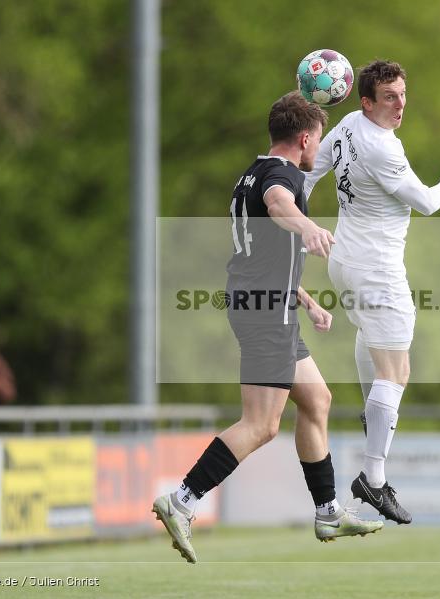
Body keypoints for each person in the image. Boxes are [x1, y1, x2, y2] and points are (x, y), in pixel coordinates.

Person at [151, 91, 383, 564]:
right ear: (304, 139)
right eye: (317, 140)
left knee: (317, 400)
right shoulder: (281, 177)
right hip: (264, 313)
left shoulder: (251, 173)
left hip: (270, 304)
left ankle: (327, 511)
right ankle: (181, 501)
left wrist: (307, 300)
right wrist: (308, 227)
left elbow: (260, 257)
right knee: (260, 425)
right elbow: (280, 206)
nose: (318, 150)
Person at [302, 60, 440, 524]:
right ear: (367, 100)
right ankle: (372, 480)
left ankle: (374, 420)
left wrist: (302, 223)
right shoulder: (382, 149)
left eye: (402, 94)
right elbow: (429, 203)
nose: (400, 104)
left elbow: (311, 170)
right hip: (377, 271)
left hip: (343, 263)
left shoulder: (350, 124)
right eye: (389, 97)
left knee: (373, 350)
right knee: (396, 373)